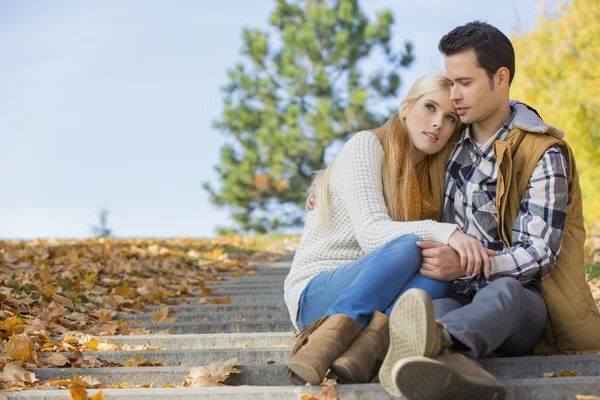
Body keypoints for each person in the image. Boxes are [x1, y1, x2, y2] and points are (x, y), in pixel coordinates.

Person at [375, 21, 600, 400]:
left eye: (465, 82)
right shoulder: (448, 139)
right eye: (450, 82)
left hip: (525, 307)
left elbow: (539, 253)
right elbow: (394, 138)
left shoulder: (543, 153)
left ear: (500, 77)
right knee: (425, 308)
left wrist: (466, 263)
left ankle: (440, 342)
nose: (454, 95)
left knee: (504, 294)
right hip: (456, 296)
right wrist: (330, 178)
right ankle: (459, 366)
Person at [283, 72, 493, 387]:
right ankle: (321, 345)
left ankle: (363, 351)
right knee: (410, 245)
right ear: (406, 108)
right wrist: (446, 232)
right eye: (430, 107)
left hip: (379, 297)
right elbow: (372, 233)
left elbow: (495, 114)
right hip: (316, 295)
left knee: (436, 267)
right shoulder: (366, 145)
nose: (438, 123)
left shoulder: (429, 176)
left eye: (450, 118)